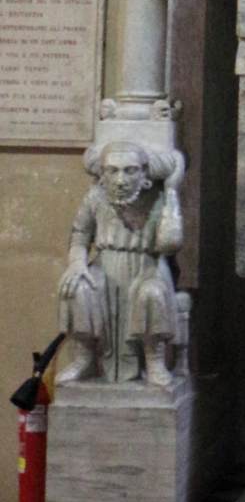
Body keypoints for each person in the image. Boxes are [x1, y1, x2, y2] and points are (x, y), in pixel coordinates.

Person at [57, 140, 183, 386]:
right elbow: (80, 235)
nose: (121, 179)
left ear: (144, 173)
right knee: (78, 288)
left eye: (130, 170)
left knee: (152, 293)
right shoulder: (95, 198)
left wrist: (171, 192)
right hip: (105, 265)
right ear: (102, 174)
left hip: (147, 266)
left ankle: (153, 360)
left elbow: (170, 243)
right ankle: (84, 359)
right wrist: (77, 263)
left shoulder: (157, 198)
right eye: (112, 170)